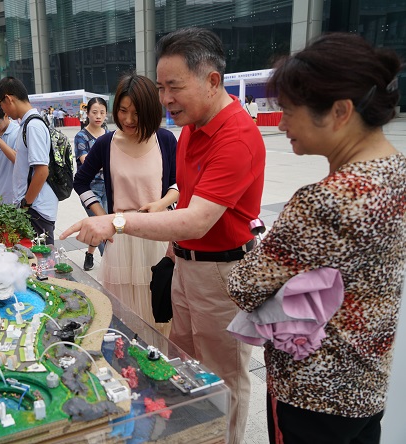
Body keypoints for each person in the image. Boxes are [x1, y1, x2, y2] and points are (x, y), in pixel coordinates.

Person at [61, 27, 266, 444]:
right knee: (182, 360)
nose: (166, 98)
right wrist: (172, 245)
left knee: (224, 375)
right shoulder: (190, 127)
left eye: (174, 87)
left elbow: (196, 219)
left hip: (221, 274)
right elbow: (185, 194)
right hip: (182, 262)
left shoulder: (236, 136)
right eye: (161, 87)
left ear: (212, 81)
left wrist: (116, 222)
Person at [228, 33, 405, 444]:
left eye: (290, 111)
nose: (282, 124)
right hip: (369, 383)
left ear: (340, 111)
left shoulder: (324, 200)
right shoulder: (397, 173)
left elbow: (244, 286)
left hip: (312, 393)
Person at [74, 73, 178, 338]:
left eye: (136, 113)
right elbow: (81, 181)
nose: (129, 119)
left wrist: (161, 204)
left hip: (157, 234)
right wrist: (103, 218)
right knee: (124, 316)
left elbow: (179, 185)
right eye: (123, 111)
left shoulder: (165, 140)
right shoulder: (106, 143)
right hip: (121, 238)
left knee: (160, 312)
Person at [0, 77, 58, 244]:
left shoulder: (33, 126)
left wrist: (26, 205)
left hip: (36, 210)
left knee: (43, 257)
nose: (3, 110)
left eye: (1, 104)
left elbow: (42, 171)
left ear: (8, 99)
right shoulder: (26, 124)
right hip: (33, 207)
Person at [73, 97, 110, 271]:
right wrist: (108, 161)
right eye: (94, 112)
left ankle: (89, 254)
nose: (98, 116)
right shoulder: (81, 136)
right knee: (101, 224)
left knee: (103, 224)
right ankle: (109, 261)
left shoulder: (109, 133)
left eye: (102, 112)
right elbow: (86, 161)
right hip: (89, 189)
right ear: (87, 113)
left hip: (108, 187)